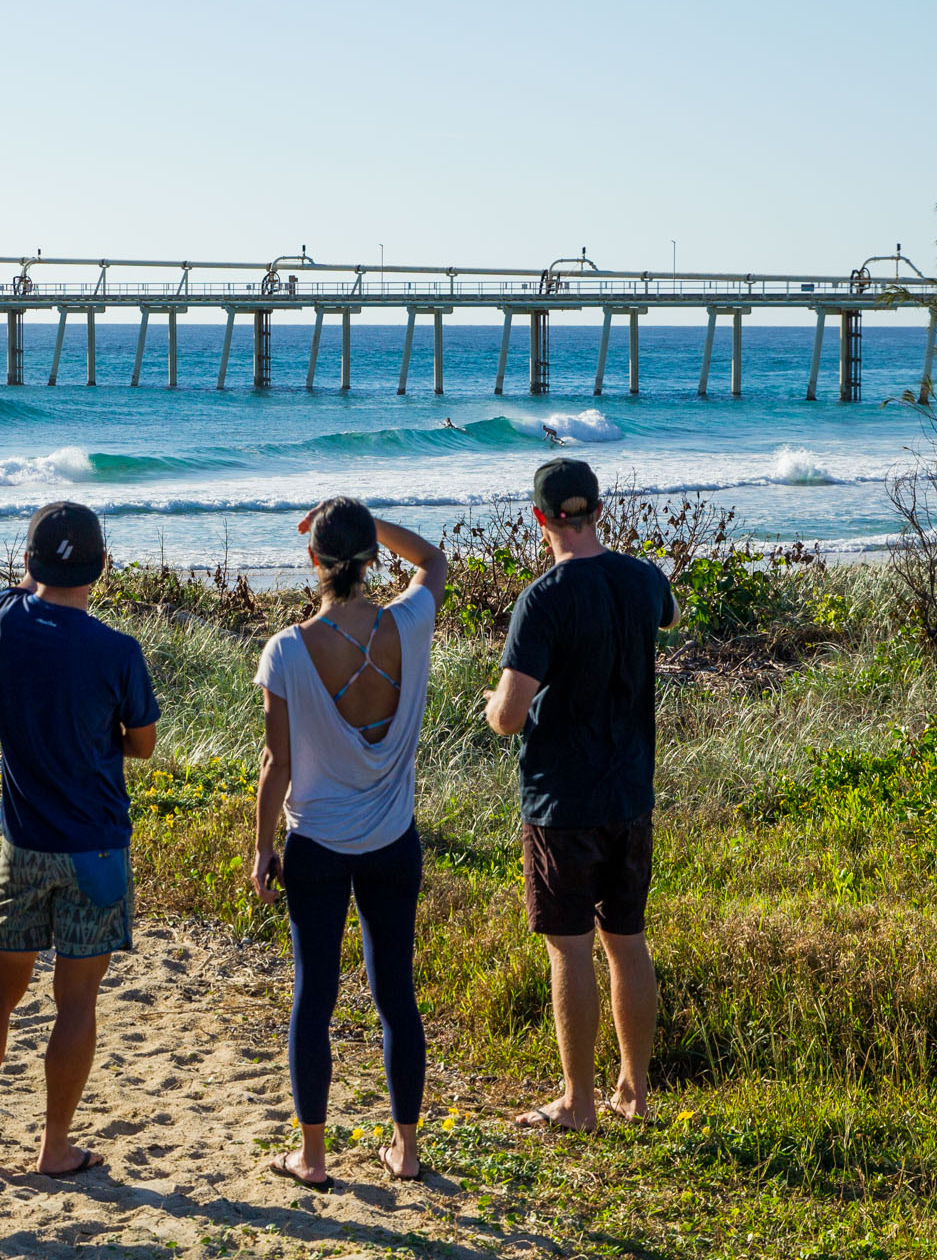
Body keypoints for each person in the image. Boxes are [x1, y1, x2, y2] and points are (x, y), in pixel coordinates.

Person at [0, 502, 160, 1177]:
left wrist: (33, 574)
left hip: (23, 843)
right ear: (103, 566)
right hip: (97, 845)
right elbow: (141, 745)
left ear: (27, 563)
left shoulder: (4, 621)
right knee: (76, 1001)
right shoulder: (117, 651)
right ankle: (55, 1144)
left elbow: (20, 591)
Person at [250, 498, 448, 1188]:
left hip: (318, 846)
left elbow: (278, 765)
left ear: (312, 561)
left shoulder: (286, 650)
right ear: (372, 561)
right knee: (397, 992)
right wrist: (376, 521)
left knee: (316, 997)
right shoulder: (410, 623)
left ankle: (310, 1157)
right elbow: (434, 561)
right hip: (393, 840)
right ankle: (408, 1150)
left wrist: (260, 847)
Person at [482, 458, 678, 1133]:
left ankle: (578, 1102)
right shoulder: (642, 579)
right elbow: (666, 609)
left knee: (568, 949)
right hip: (630, 793)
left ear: (539, 518)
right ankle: (636, 1092)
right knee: (628, 941)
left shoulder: (545, 597)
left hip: (562, 801)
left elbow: (509, 716)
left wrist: (490, 706)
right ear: (598, 509)